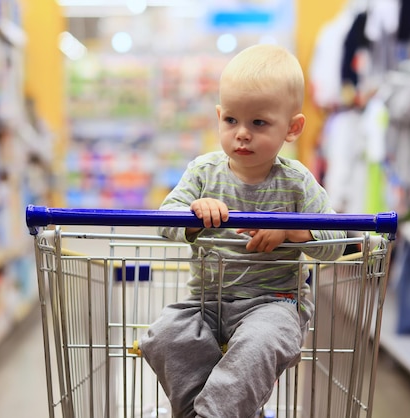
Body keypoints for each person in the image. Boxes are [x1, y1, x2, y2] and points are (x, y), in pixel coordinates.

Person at [139, 43, 346, 418]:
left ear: (292, 128)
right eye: (231, 120)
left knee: (260, 344)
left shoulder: (298, 182)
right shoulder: (204, 173)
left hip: (275, 303)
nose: (242, 134)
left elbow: (336, 242)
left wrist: (291, 232)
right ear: (219, 116)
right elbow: (163, 222)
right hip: (204, 303)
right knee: (165, 335)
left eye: (259, 123)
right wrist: (192, 215)